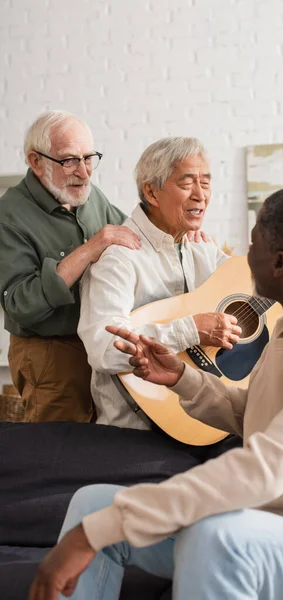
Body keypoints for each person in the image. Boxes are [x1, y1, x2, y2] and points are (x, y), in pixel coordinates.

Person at [29, 186, 283, 600]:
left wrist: (102, 530)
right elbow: (255, 416)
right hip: (268, 529)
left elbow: (267, 466)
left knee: (215, 536)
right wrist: (182, 380)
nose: (245, 253)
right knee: (91, 505)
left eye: (254, 243)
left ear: (279, 263)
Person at [0, 114, 204, 423]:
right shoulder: (8, 216)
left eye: (89, 158)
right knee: (63, 451)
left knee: (99, 447)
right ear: (35, 161)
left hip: (99, 344)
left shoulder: (89, 194)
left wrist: (181, 229)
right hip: (51, 351)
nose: (83, 172)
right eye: (69, 160)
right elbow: (20, 305)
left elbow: (137, 232)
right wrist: (90, 249)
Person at [77, 137, 241, 429]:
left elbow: (252, 287)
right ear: (151, 192)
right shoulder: (117, 259)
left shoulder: (201, 247)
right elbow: (105, 349)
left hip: (201, 428)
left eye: (206, 182)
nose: (200, 194)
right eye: (187, 182)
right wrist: (192, 329)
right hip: (137, 433)